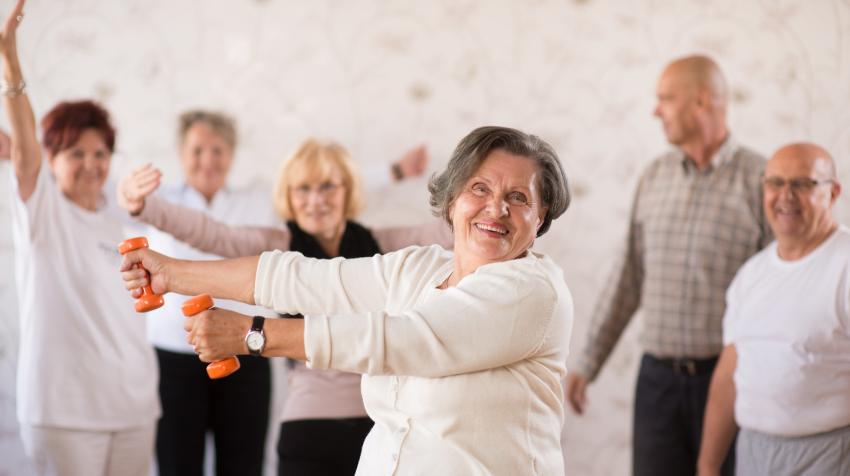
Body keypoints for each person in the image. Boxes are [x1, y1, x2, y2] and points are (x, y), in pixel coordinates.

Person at [120, 125, 573, 475]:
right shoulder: (419, 267)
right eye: (480, 189)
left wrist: (252, 334)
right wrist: (169, 272)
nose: (496, 209)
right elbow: (306, 278)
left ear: (542, 215)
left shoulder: (531, 291)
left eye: (518, 197)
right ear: (452, 201)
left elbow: (400, 341)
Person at [565, 54, 772, 476]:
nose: (655, 110)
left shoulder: (763, 180)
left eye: (665, 99)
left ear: (700, 102)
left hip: (731, 382)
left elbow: (779, 292)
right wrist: (589, 362)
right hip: (656, 383)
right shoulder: (653, 177)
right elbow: (629, 276)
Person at [2, 1, 159, 475]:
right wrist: (10, 58)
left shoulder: (123, 211)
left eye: (100, 152)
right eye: (75, 153)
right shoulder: (42, 208)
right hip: (63, 413)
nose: (91, 163)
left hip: (133, 406)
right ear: (52, 160)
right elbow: (25, 144)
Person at [128, 110, 280, 476]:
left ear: (231, 154)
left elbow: (320, 190)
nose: (207, 160)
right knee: (178, 462)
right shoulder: (158, 199)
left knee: (243, 464)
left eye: (217, 150)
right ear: (182, 154)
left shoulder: (260, 198)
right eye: (197, 150)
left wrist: (395, 172)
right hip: (175, 355)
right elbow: (113, 200)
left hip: (246, 346)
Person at [697, 143, 849, 476]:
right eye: (775, 183)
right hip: (753, 452)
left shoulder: (845, 264)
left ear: (833, 192)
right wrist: (708, 465)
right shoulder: (751, 274)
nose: (786, 196)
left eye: (802, 184)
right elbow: (728, 376)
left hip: (829, 454)